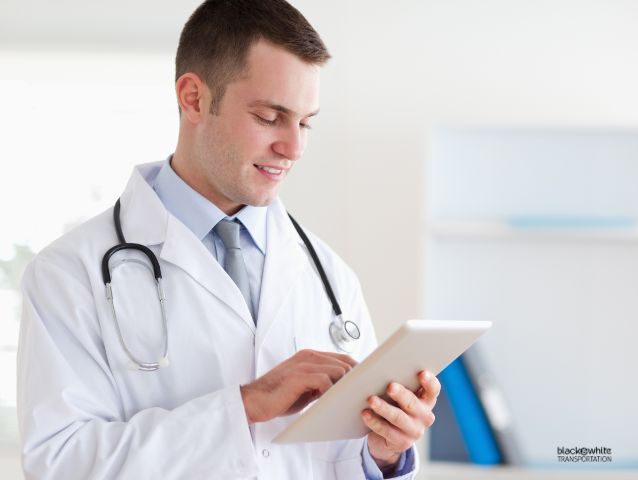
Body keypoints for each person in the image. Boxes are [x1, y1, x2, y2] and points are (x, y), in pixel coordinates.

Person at [17, 1, 440, 478]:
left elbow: (331, 461)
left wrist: (382, 453)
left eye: (305, 122)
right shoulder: (69, 274)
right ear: (194, 98)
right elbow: (60, 464)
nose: (294, 148)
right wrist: (245, 406)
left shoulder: (330, 277)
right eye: (268, 116)